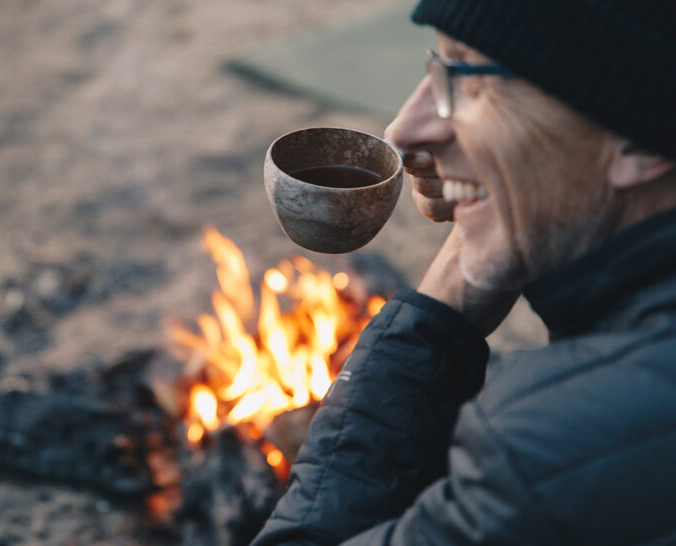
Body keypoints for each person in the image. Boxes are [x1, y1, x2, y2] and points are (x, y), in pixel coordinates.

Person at [251, 0, 676, 544]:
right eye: (437, 66)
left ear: (640, 137)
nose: (403, 131)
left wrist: (435, 317)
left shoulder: (547, 456)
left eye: (470, 79)